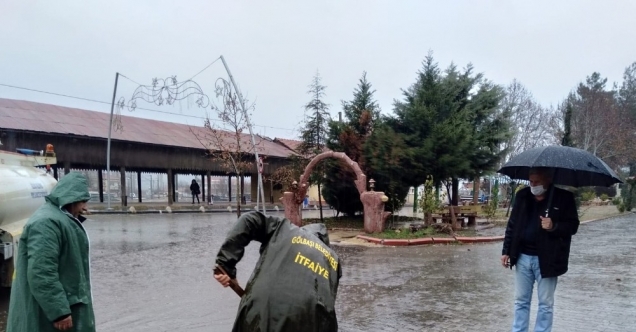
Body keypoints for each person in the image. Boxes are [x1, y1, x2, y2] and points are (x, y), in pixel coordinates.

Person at [214, 211, 342, 332]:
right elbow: (328, 308)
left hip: (259, 314)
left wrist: (225, 265)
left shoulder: (285, 229)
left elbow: (249, 220)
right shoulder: (333, 260)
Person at [7, 172, 95, 332]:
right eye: (83, 201)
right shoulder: (47, 223)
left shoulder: (59, 219)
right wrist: (59, 312)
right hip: (45, 319)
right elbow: (41, 272)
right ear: (71, 197)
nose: (85, 207)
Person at [501, 167, 580, 332]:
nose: (533, 185)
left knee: (545, 304)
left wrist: (553, 226)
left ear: (548, 180)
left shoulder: (563, 198)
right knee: (521, 301)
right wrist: (506, 250)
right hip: (522, 257)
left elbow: (573, 226)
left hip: (548, 259)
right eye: (531, 181)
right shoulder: (522, 196)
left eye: (537, 182)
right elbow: (512, 224)